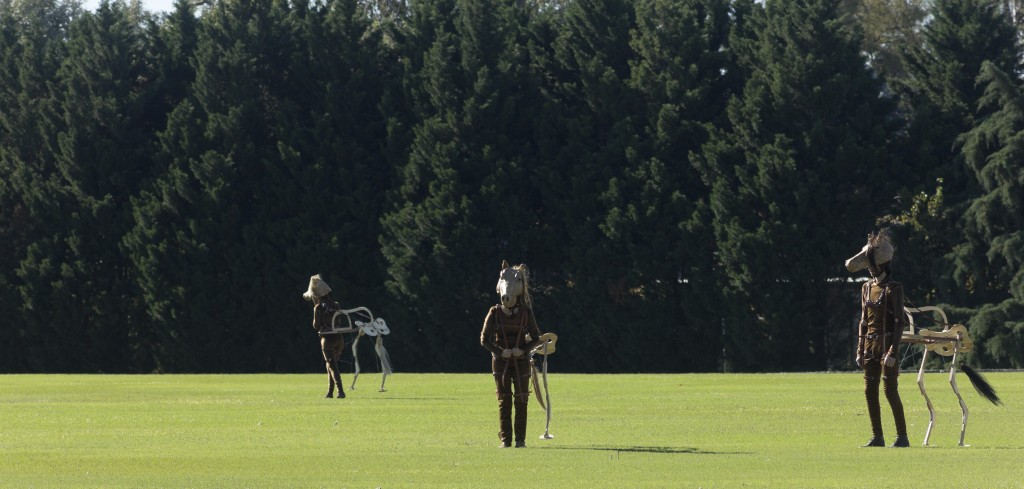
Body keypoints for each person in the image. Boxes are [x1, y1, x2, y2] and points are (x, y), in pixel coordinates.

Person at [845, 232, 909, 448]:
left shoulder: (894, 288)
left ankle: (902, 437)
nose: (869, 268)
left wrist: (893, 352)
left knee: (890, 390)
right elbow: (863, 322)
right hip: (870, 346)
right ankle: (877, 437)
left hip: (887, 345)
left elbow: (900, 322)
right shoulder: (866, 288)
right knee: (869, 391)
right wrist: (859, 349)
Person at [480, 262, 542, 448]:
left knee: (522, 399)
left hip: (521, 361)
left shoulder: (525, 313)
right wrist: (501, 352)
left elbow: (537, 337)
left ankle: (520, 441)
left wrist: (522, 350)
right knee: (504, 399)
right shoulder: (494, 312)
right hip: (501, 363)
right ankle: (506, 440)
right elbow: (484, 339)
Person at [303, 274, 346, 399]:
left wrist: (316, 312)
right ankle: (330, 392)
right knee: (330, 364)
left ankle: (340, 391)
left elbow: (316, 326)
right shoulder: (336, 304)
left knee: (332, 365)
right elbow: (338, 321)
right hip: (339, 339)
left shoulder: (318, 308)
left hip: (327, 340)